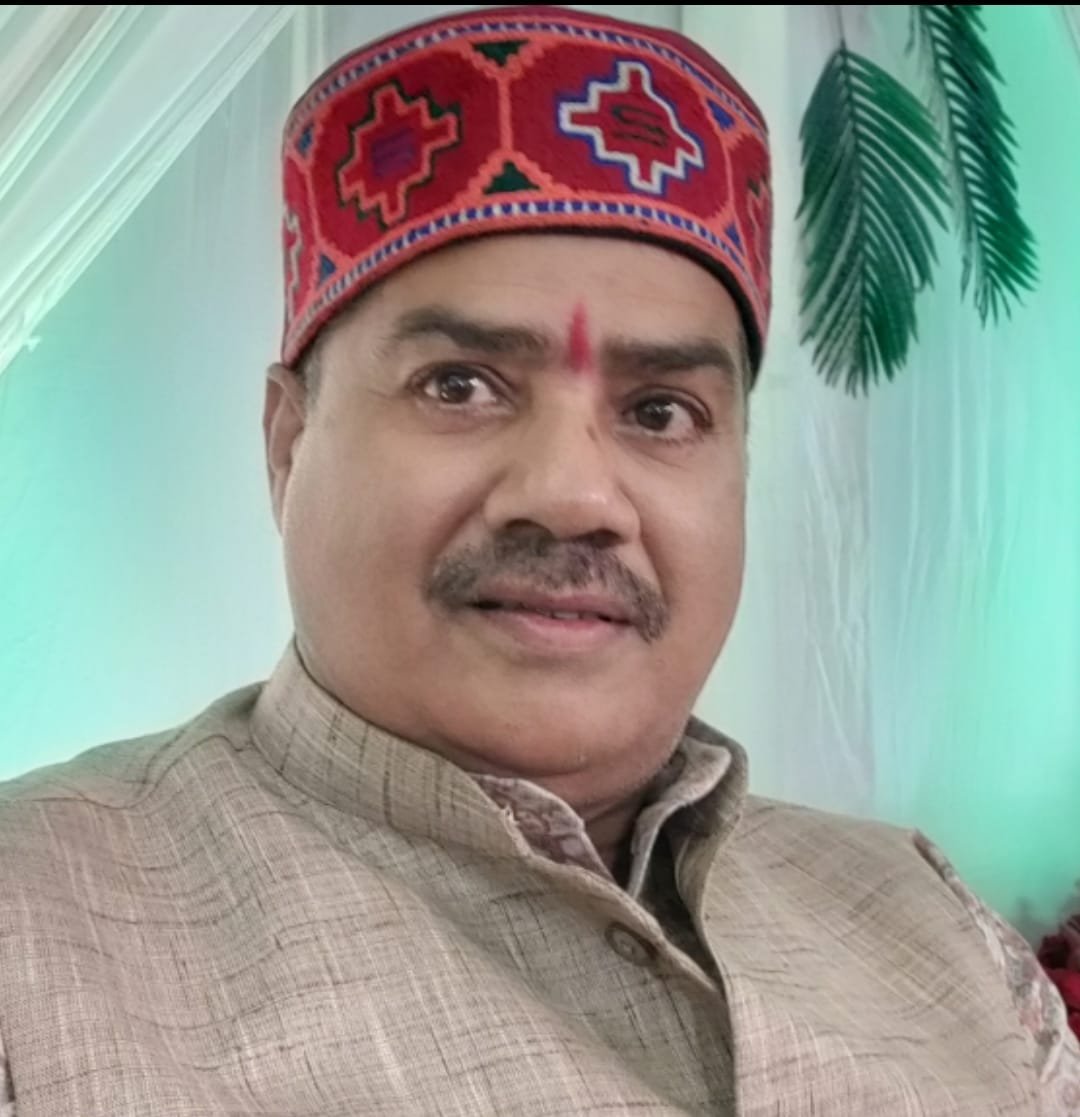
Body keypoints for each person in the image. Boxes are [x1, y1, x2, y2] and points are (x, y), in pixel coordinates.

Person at [1, 6, 1077, 1115]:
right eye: (460, 385)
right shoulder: (32, 947)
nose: (572, 495)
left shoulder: (927, 924)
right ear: (287, 444)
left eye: (662, 410)